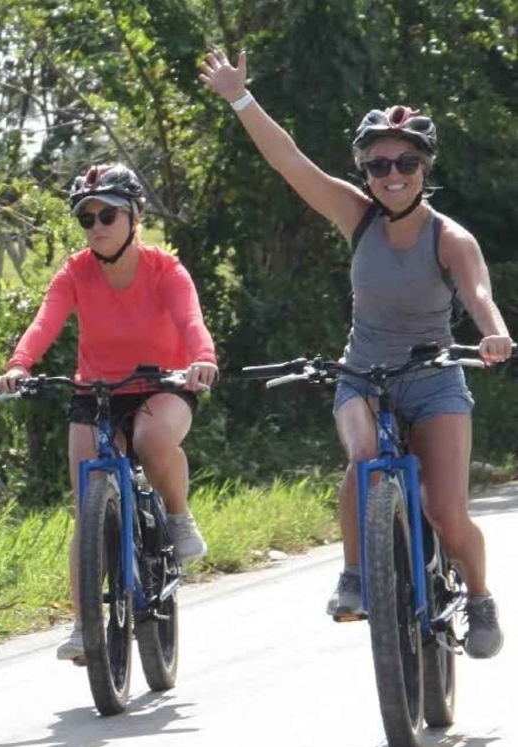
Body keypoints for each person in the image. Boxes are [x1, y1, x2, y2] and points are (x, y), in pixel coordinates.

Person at [201, 48, 512, 656]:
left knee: (448, 514)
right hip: (362, 374)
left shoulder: (450, 237)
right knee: (363, 457)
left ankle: (478, 596)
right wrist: (240, 97)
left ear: (425, 166)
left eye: (406, 161)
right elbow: (291, 162)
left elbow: (478, 294)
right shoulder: (357, 215)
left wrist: (494, 332)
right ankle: (354, 574)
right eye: (377, 164)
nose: (391, 173)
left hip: (435, 377)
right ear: (365, 171)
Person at [0, 164, 219, 663]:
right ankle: (83, 624)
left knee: (151, 440)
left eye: (108, 214)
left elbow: (190, 320)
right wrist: (18, 366)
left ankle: (177, 518)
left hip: (164, 384)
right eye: (87, 218)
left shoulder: (165, 269)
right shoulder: (75, 272)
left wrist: (202, 359)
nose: (97, 226)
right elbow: (43, 323)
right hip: (96, 391)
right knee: (87, 504)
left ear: (135, 216)